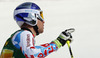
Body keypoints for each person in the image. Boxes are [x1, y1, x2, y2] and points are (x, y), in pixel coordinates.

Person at [0, 2, 74, 58]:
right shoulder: (24, 34)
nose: (43, 21)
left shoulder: (20, 35)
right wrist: (58, 42)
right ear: (31, 17)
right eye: (40, 16)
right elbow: (31, 53)